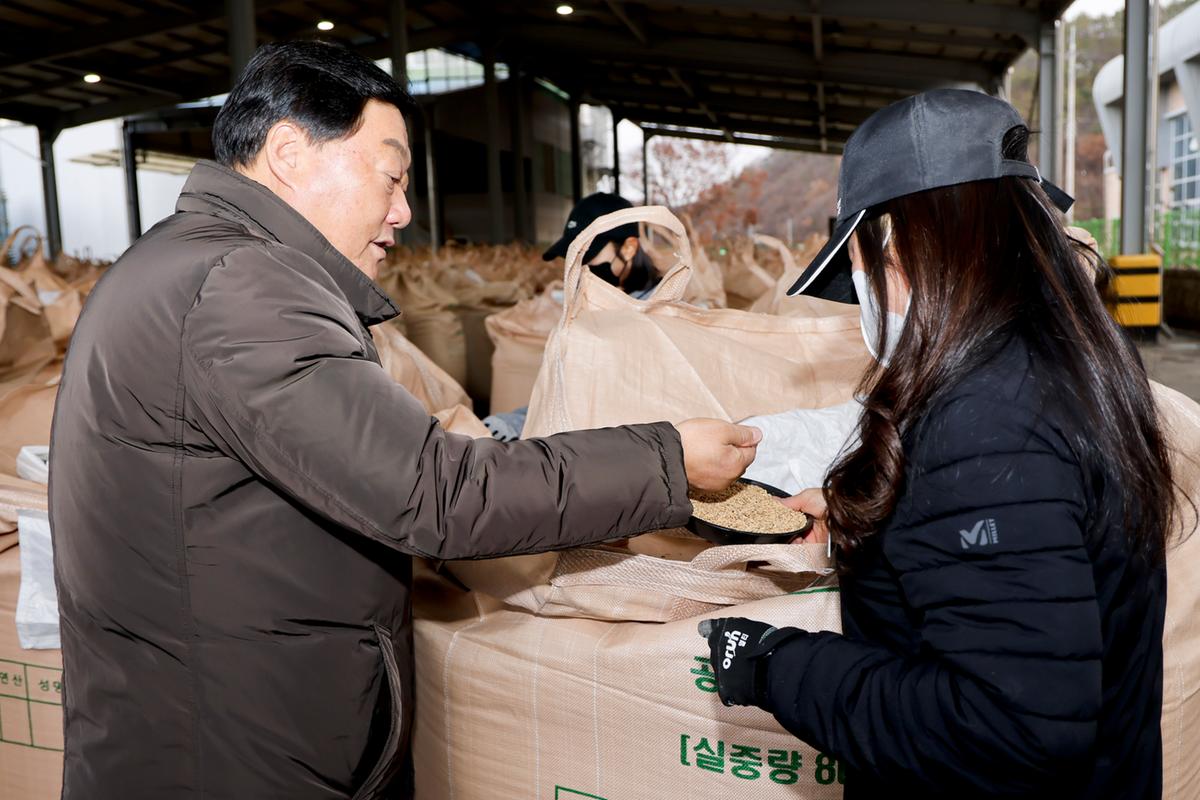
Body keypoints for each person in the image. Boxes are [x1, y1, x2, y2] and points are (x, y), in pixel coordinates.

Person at [49, 41, 760, 799]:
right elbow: (433, 493)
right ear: (289, 152)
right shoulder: (241, 289)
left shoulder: (186, 261)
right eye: (390, 176)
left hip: (207, 725)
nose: (404, 212)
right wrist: (667, 460)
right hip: (231, 755)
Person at [699, 89, 1176, 799]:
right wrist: (878, 530)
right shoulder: (1071, 365)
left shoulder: (987, 424)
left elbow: (1011, 730)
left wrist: (778, 665)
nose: (858, 284)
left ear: (894, 240)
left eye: (856, 258)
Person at [542, 191, 661, 298]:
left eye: (586, 256)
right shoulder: (576, 300)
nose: (578, 270)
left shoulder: (660, 308)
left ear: (629, 248)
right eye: (571, 258)